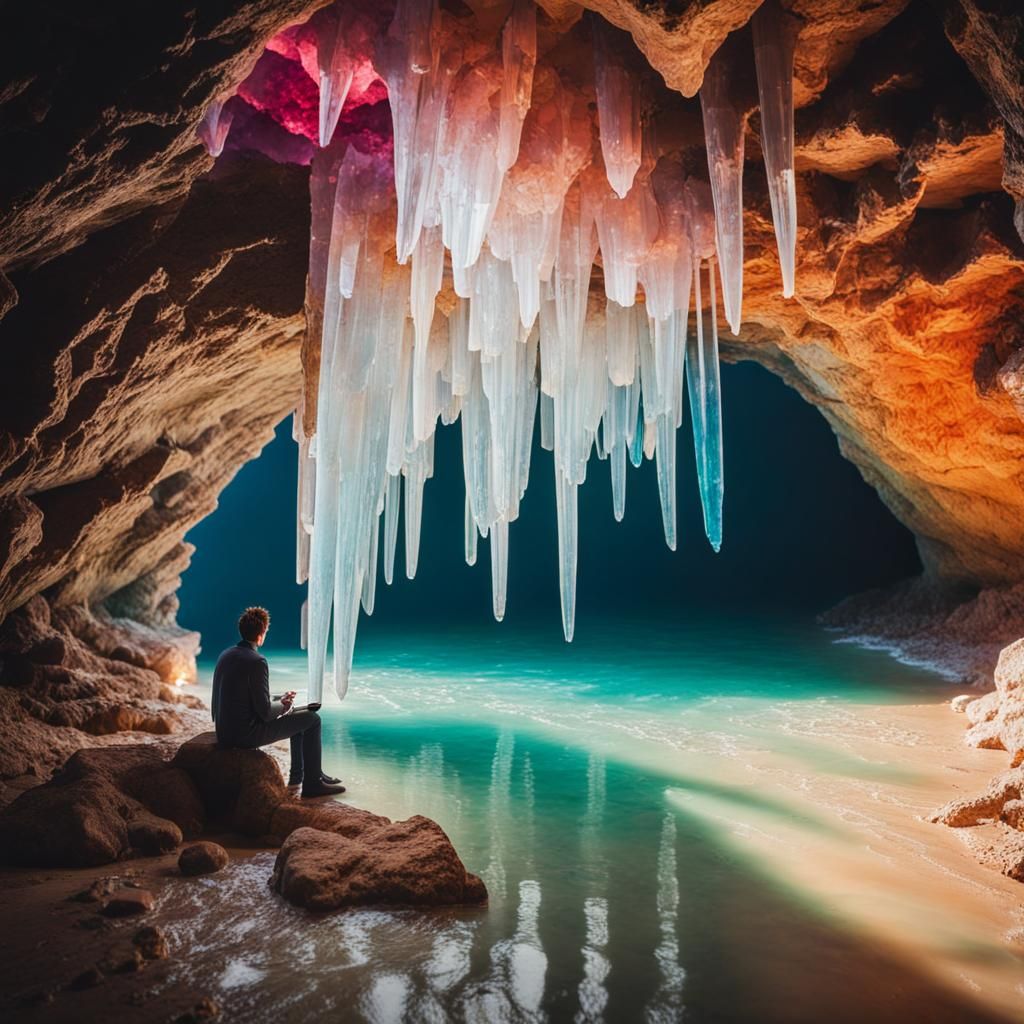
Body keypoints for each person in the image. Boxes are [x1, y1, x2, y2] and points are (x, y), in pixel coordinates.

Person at [210, 606, 345, 798]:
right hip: (244, 735)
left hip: (224, 731)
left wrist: (279, 699)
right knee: (312, 719)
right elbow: (264, 712)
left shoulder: (227, 654)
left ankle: (300, 777)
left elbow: (246, 697)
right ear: (261, 634)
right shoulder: (257, 661)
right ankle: (312, 785)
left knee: (300, 718)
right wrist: (285, 706)